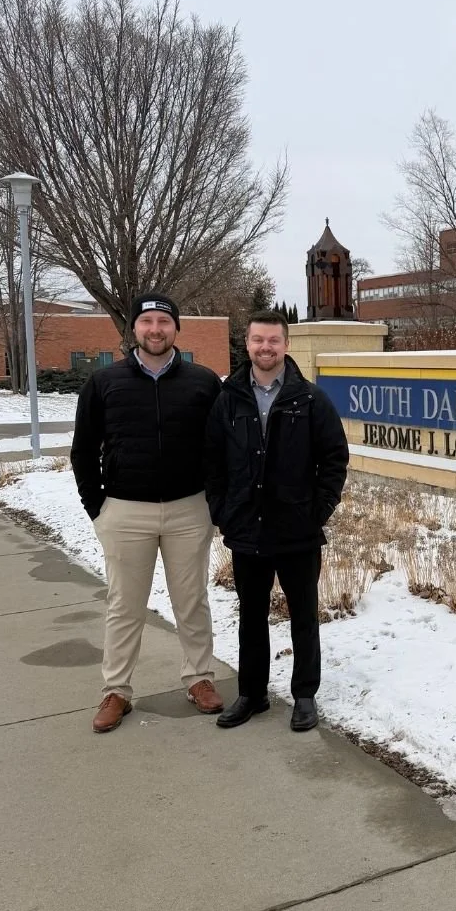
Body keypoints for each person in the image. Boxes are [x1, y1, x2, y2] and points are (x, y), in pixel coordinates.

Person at [71, 292, 225, 733]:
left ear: (176, 328)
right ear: (133, 330)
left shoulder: (202, 381)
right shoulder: (105, 383)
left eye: (163, 321)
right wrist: (97, 508)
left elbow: (219, 449)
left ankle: (199, 679)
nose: (155, 329)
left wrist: (213, 504)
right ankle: (116, 690)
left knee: (191, 600)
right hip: (125, 510)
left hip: (188, 508)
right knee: (125, 605)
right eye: (147, 322)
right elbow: (83, 451)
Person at [204, 309, 349, 731]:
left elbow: (334, 460)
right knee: (250, 617)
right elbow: (212, 462)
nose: (265, 348)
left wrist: (317, 511)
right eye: (257, 340)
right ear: (246, 344)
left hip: (297, 531)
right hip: (246, 529)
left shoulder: (310, 399)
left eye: (273, 340)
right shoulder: (228, 399)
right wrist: (223, 512)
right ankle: (252, 694)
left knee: (303, 616)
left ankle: (305, 694)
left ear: (286, 345)